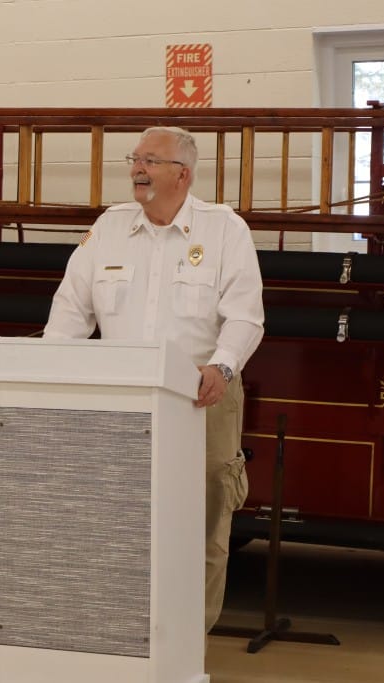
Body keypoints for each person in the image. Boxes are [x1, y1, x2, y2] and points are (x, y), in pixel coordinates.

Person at [43, 126, 264, 631]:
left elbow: (247, 316)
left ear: (182, 175)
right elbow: (70, 311)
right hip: (120, 401)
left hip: (202, 397)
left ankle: (188, 645)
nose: (137, 169)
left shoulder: (224, 229)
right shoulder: (110, 228)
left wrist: (223, 366)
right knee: (116, 524)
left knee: (203, 526)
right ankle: (124, 635)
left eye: (151, 161)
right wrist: (54, 371)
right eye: (135, 159)